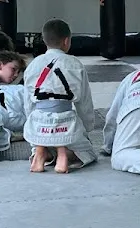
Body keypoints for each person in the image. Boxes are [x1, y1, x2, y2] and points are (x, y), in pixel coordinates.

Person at [24, 18, 96, 174]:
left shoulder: (33, 65)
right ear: (67, 41)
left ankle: (41, 152)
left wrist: (31, 121)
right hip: (66, 123)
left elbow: (28, 103)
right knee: (88, 152)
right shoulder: (75, 64)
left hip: (38, 125)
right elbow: (84, 103)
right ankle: (63, 154)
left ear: (44, 41)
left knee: (40, 136)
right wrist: (87, 127)